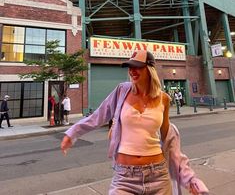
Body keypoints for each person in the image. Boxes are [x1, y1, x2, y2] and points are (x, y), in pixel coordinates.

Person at [61, 50, 208, 195]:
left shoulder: (163, 99)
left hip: (158, 175)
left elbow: (170, 143)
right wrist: (73, 133)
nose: (132, 71)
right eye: (130, 67)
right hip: (125, 177)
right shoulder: (122, 91)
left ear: (150, 69)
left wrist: (190, 180)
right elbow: (99, 115)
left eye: (137, 66)